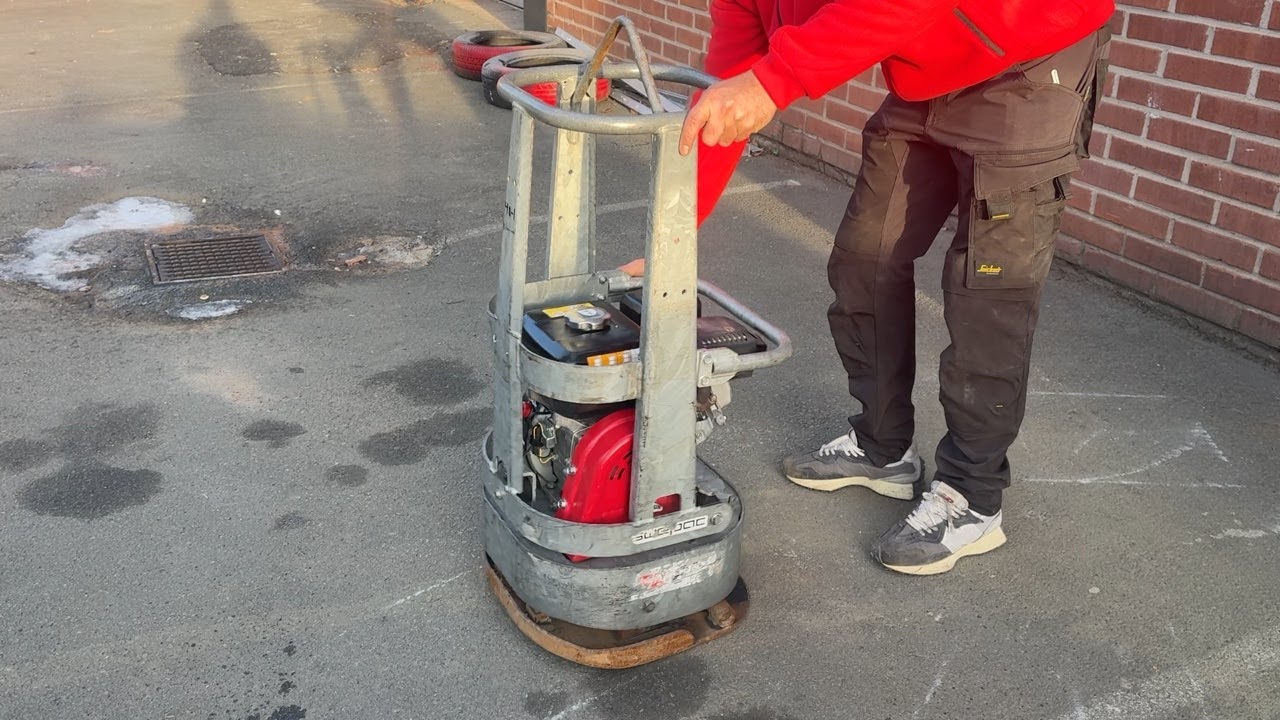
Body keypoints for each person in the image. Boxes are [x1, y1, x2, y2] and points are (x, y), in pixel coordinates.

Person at [679, 0, 1116, 575]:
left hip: (1027, 57)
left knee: (986, 295)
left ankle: (972, 496)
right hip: (926, 65)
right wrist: (674, 232)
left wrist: (774, 80)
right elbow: (728, 90)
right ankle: (882, 448)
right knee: (864, 258)